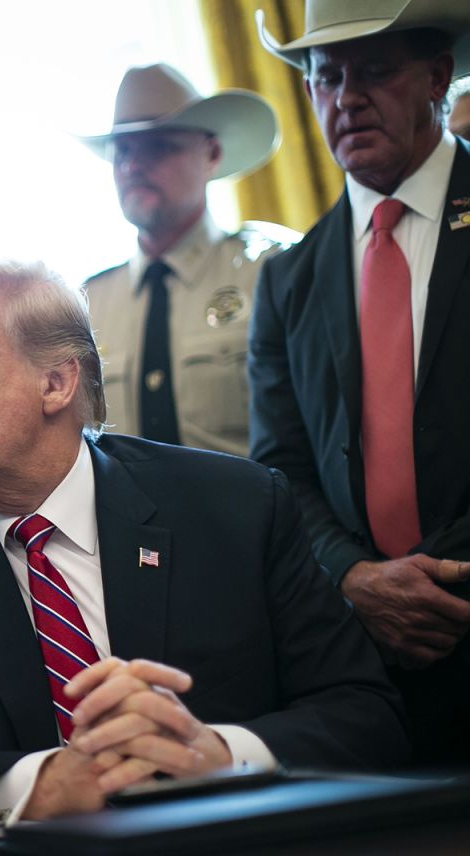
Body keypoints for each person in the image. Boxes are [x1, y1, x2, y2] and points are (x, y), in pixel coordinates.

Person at [0, 261, 406, 851]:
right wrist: (39, 785)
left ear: (57, 382)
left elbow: (365, 715)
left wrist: (220, 756)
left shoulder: (236, 507)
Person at [250, 0, 470, 764]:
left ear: (438, 76)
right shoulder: (287, 277)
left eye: (374, 71)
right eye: (326, 77)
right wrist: (357, 579)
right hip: (370, 665)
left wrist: (433, 584)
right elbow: (279, 468)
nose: (346, 97)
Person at [82, 63, 289, 455]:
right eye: (122, 150)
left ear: (211, 153)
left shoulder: (268, 271)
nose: (132, 166)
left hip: (254, 511)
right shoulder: (91, 302)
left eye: (159, 146)